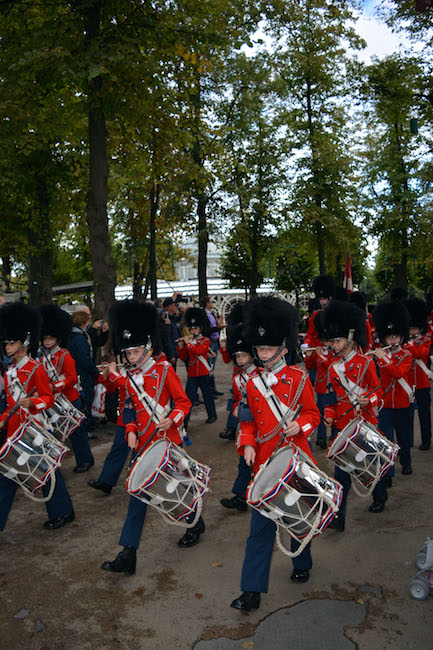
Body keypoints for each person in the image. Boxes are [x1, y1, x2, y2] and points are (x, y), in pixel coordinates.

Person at [231, 297, 320, 612]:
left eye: (268, 349)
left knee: (297, 517)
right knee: (260, 529)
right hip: (265, 465)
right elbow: (247, 421)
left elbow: (313, 414)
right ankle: (251, 591)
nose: (263, 355)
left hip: (295, 457)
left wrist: (302, 425)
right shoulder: (252, 384)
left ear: (282, 347)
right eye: (260, 349)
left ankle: (302, 560)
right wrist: (248, 444)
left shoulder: (298, 379)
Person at [101, 300, 200, 576]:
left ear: (146, 347)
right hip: (142, 445)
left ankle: (195, 521)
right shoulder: (130, 378)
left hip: (167, 441)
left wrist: (174, 418)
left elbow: (184, 402)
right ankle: (128, 553)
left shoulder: (165, 369)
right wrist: (130, 430)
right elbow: (129, 409)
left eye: (135, 351)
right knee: (137, 495)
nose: (131, 357)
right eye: (128, 353)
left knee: (175, 490)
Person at [0, 302, 75, 531]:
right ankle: (64, 510)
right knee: (11, 473)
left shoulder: (36, 368)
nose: (7, 347)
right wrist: (3, 417)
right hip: (15, 428)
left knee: (37, 471)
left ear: (24, 343)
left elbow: (48, 398)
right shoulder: (11, 371)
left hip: (34, 427)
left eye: (11, 343)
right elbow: (12, 404)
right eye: (6, 343)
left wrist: (33, 402)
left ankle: (62, 511)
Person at [320, 300, 384, 527]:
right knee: (342, 474)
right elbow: (329, 396)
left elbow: (378, 390)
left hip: (364, 422)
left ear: (349, 337)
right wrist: (329, 415)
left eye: (336, 341)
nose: (333, 345)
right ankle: (339, 516)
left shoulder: (366, 363)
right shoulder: (332, 367)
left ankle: (380, 496)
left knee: (369, 466)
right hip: (342, 425)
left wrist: (370, 399)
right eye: (332, 341)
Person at [39, 304, 94, 473]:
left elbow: (71, 379)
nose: (47, 340)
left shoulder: (65, 355)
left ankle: (85, 459)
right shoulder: (44, 358)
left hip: (69, 399)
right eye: (45, 338)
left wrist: (54, 386)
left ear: (57, 337)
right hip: (54, 400)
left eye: (50, 338)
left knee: (75, 431)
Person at [219, 302, 255, 511]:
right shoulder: (239, 378)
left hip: (263, 427)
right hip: (247, 426)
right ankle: (241, 496)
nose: (240, 359)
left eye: (243, 355)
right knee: (244, 461)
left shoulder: (259, 375)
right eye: (238, 356)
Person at [372, 300, 414, 477]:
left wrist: (383, 359)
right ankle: (388, 474)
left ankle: (406, 463)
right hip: (386, 404)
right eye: (389, 337)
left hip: (403, 404)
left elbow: (397, 373)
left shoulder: (407, 354)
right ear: (384, 338)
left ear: (402, 337)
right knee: (386, 442)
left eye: (395, 336)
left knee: (404, 439)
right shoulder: (380, 355)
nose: (393, 340)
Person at [177, 308, 217, 426]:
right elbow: (184, 356)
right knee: (188, 397)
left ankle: (212, 415)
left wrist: (188, 343)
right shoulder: (189, 341)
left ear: (200, 328)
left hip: (203, 372)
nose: (193, 330)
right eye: (192, 328)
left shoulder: (206, 340)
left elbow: (199, 352)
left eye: (195, 328)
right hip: (192, 373)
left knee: (207, 395)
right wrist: (181, 346)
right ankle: (185, 420)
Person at [403, 297, 432, 451]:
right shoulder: (404, 340)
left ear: (420, 328)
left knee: (424, 414)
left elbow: (421, 353)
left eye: (414, 328)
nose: (412, 331)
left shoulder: (425, 339)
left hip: (422, 382)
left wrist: (408, 346)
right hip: (407, 382)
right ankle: (407, 442)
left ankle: (426, 440)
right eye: (410, 328)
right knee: (407, 415)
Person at [68, 309, 101, 434]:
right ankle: (87, 427)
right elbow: (84, 358)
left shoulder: (72, 336)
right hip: (83, 373)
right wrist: (94, 370)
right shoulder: (80, 338)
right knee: (86, 399)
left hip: (77, 371)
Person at [201, 295, 224, 396]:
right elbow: (206, 330)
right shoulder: (203, 315)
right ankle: (210, 388)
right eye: (210, 302)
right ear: (206, 304)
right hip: (209, 341)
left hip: (215, 340)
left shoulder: (212, 314)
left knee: (212, 365)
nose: (212, 304)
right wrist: (217, 328)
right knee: (209, 365)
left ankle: (212, 387)